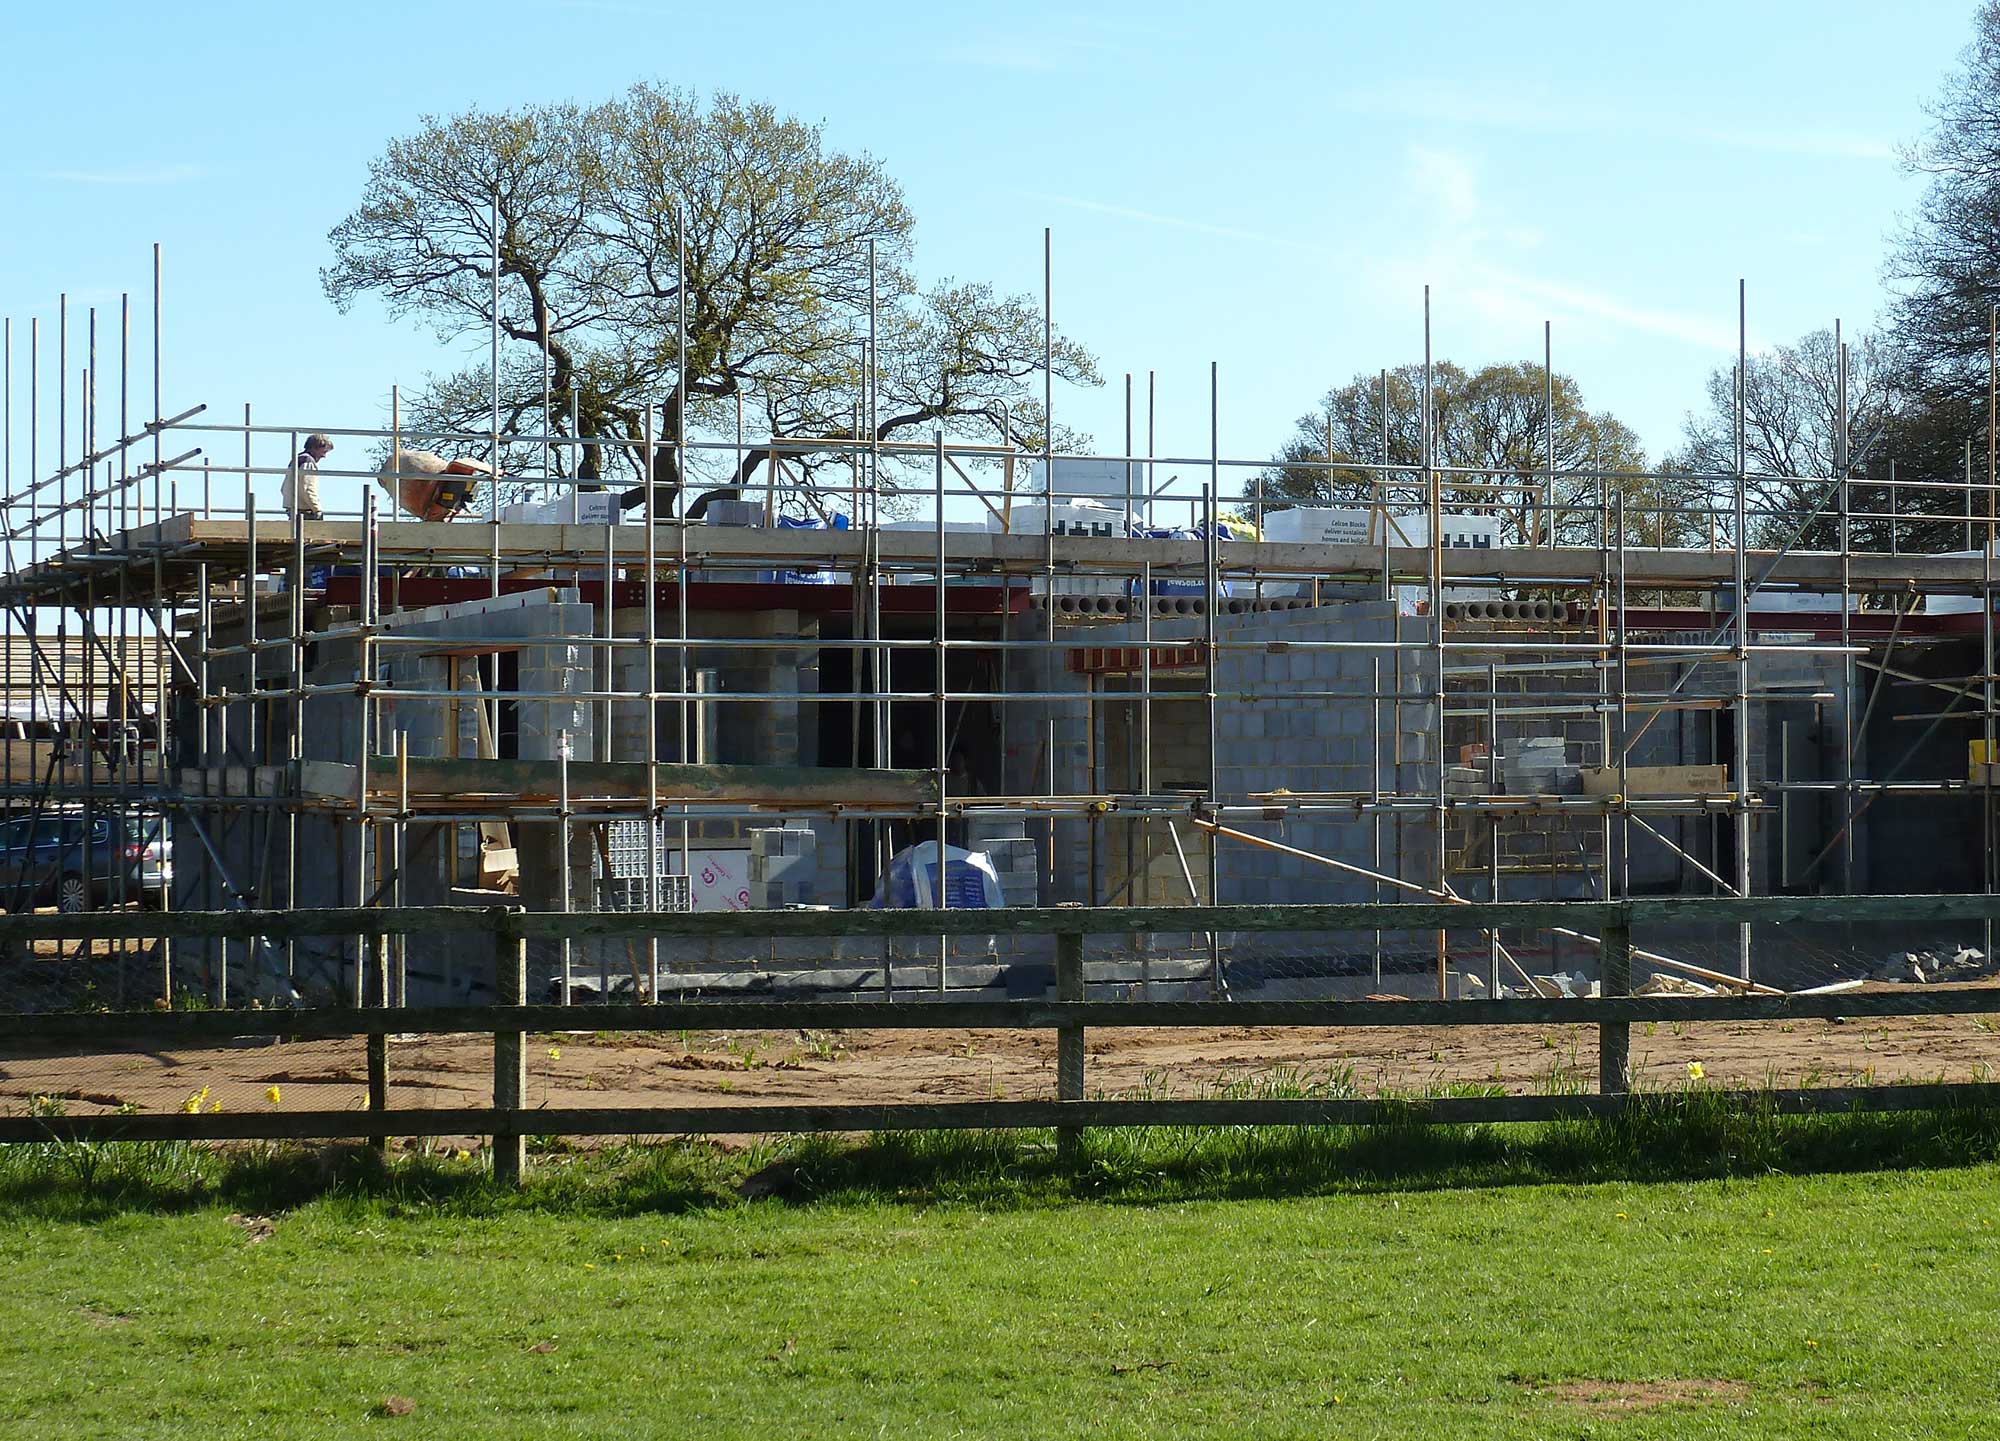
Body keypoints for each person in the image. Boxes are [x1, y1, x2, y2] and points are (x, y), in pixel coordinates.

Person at [282, 433, 333, 521]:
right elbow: (307, 488)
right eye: (324, 451)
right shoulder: (308, 461)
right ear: (314, 447)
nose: (324, 456)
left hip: (293, 507)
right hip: (305, 510)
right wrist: (317, 509)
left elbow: (284, 488)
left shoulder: (297, 460)